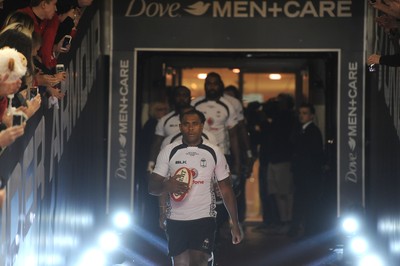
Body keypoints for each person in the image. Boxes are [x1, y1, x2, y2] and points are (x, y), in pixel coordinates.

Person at [148, 109, 243, 266]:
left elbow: (226, 188)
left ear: (202, 126)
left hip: (204, 218)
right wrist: (167, 186)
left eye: (195, 124)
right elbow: (152, 187)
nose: (190, 128)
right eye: (186, 124)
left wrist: (235, 223)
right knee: (181, 264)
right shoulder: (169, 151)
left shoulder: (214, 152)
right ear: (180, 127)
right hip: (176, 219)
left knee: (198, 261)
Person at [288, 103, 324, 238]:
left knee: (306, 202)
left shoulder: (312, 132)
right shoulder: (302, 131)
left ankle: (305, 230)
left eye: (305, 113)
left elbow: (312, 154)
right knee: (302, 202)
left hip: (308, 175)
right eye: (300, 113)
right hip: (303, 174)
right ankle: (301, 229)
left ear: (312, 116)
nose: (301, 116)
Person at [266, 93, 296, 233]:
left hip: (283, 159)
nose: (279, 104)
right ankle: (283, 220)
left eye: (282, 101)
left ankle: (288, 221)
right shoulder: (276, 117)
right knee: (276, 192)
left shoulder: (289, 117)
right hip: (273, 158)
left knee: (285, 192)